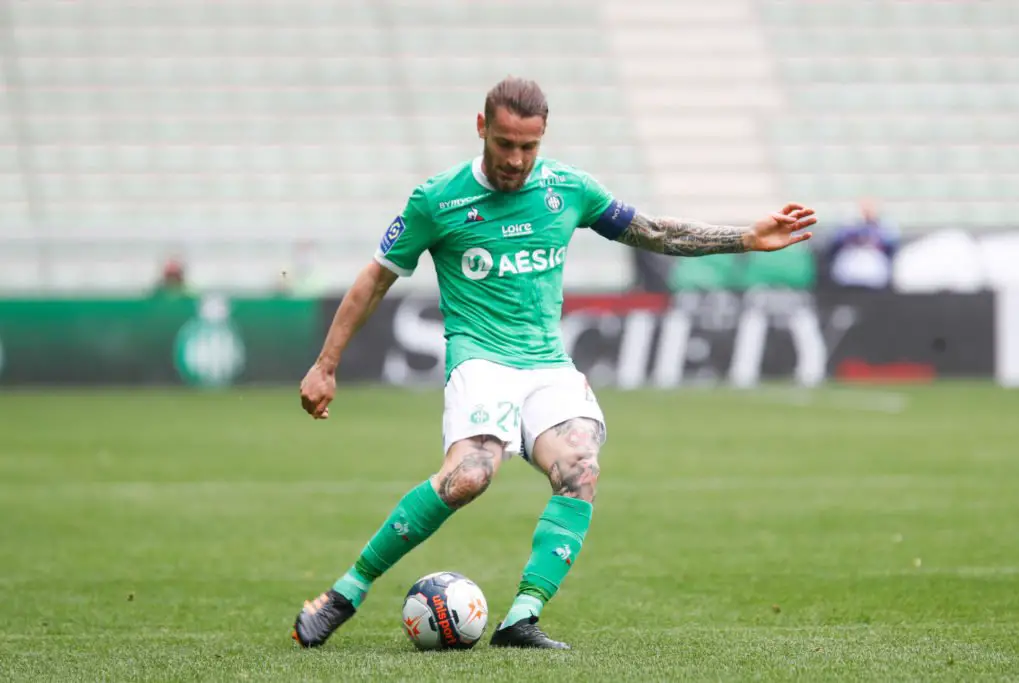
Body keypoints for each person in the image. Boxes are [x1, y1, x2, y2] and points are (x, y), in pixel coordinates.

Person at [292, 77, 816, 650]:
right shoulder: (437, 200)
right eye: (504, 144)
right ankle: (344, 593)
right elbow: (375, 279)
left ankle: (521, 618)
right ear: (481, 128)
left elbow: (653, 232)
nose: (516, 160)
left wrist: (746, 238)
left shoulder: (568, 188)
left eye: (529, 146)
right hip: (481, 360)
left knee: (581, 468)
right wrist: (325, 365)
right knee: (470, 476)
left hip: (547, 364)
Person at [824, 198, 899, 289]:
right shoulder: (848, 225)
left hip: (874, 268)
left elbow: (891, 246)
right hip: (849, 267)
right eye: (864, 208)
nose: (867, 211)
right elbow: (835, 243)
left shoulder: (884, 227)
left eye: (870, 208)